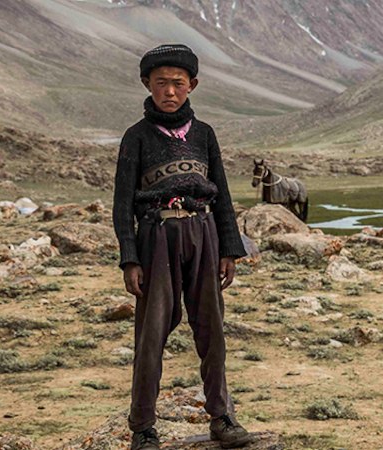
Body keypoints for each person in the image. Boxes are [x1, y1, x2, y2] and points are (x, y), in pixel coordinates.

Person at [112, 44, 252, 450]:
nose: (169, 91)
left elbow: (222, 196)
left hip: (204, 235)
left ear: (193, 85)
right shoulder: (136, 138)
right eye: (160, 83)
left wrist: (229, 249)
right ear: (146, 85)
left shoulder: (205, 135)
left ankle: (222, 417)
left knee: (212, 331)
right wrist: (129, 258)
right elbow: (122, 205)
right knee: (151, 334)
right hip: (156, 238)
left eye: (177, 83)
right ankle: (143, 427)